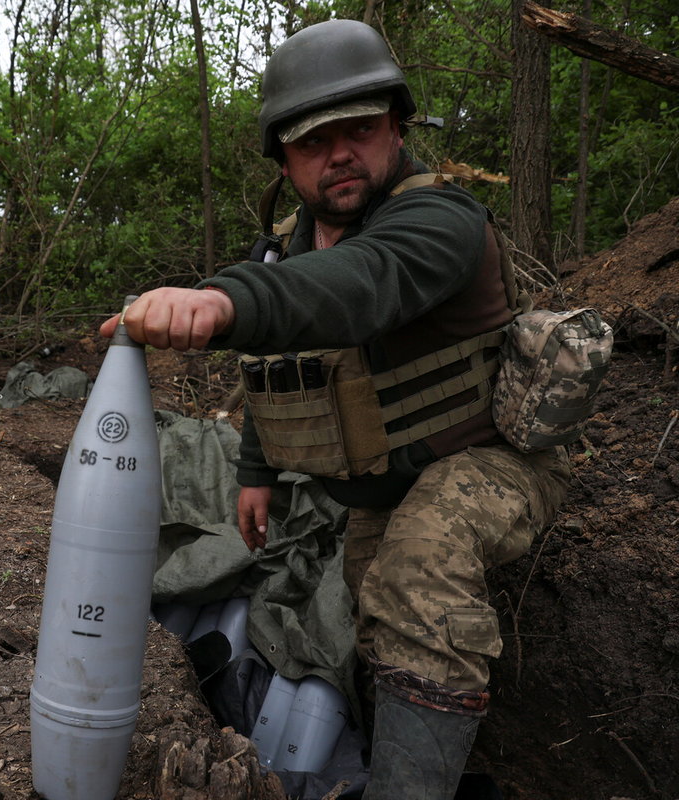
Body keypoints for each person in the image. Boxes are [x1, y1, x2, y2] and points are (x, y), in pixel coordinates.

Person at [100, 19, 571, 800]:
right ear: (284, 161)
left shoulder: (441, 222)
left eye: (360, 129)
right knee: (369, 626)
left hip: (488, 465)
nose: (340, 153)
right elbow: (276, 365)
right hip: (376, 491)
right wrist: (256, 471)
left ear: (396, 127)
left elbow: (357, 287)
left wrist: (219, 302)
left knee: (422, 574)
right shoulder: (287, 247)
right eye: (315, 142)